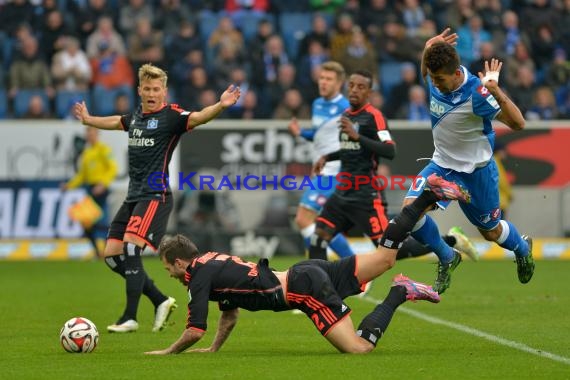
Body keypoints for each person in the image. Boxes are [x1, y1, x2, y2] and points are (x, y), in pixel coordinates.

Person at [144, 174, 469, 355]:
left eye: (168, 268)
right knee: (386, 257)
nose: (170, 275)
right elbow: (229, 314)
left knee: (358, 350)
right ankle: (426, 197)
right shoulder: (210, 261)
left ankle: (399, 292)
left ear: (178, 261)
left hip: (305, 289)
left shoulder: (197, 275)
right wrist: (215, 349)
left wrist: (167, 353)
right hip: (307, 272)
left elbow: (193, 330)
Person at [73, 63, 241, 333]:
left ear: (164, 91)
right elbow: (117, 121)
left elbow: (198, 117)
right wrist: (89, 119)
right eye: (147, 88)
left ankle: (130, 316)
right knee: (112, 256)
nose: (151, 93)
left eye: (156, 89)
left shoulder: (171, 116)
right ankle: (160, 300)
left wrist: (220, 105)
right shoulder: (138, 116)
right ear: (139, 90)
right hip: (133, 196)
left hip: (156, 195)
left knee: (130, 249)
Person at [403, 28, 534, 294]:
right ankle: (448, 256)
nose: (434, 83)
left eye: (440, 79)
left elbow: (519, 123)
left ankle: (522, 248)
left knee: (491, 233)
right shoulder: (436, 75)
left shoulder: (478, 93)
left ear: (456, 72)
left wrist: (496, 91)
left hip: (477, 173)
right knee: (410, 212)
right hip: (442, 165)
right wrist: (428, 48)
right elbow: (425, 72)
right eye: (433, 77)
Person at [307, 69, 477, 264]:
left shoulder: (374, 117)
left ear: (369, 93)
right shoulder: (347, 115)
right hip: (342, 193)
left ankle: (453, 240)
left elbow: (389, 150)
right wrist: (328, 157)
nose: (354, 90)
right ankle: (317, 289)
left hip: (365, 197)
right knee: (317, 239)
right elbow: (350, 150)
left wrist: (358, 137)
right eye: (351, 85)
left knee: (393, 249)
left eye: (360, 87)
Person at [287, 61, 353, 259]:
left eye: (329, 79)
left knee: (303, 219)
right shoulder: (317, 104)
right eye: (322, 78)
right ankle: (344, 270)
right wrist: (301, 133)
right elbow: (319, 134)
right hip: (321, 172)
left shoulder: (346, 109)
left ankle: (344, 267)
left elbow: (356, 142)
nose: (323, 83)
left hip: (334, 173)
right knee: (320, 223)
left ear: (339, 83)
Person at [63, 126, 118, 258]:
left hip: (101, 189)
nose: (90, 136)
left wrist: (103, 184)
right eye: (88, 133)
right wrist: (69, 185)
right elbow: (82, 175)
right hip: (90, 189)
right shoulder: (86, 153)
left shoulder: (104, 149)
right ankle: (97, 252)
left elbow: (113, 168)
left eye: (92, 133)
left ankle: (107, 250)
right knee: (86, 223)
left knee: (102, 221)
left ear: (97, 134)